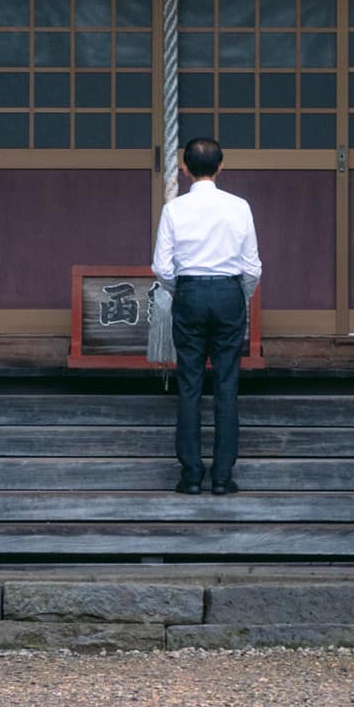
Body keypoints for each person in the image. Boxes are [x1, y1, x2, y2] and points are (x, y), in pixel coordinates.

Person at [151, 136, 261, 496]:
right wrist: (238, 295)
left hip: (190, 292)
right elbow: (252, 267)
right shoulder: (240, 206)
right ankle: (222, 476)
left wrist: (180, 291)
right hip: (229, 292)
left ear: (184, 168)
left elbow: (162, 268)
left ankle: (191, 475)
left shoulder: (174, 209)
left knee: (190, 384)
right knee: (227, 384)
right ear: (221, 166)